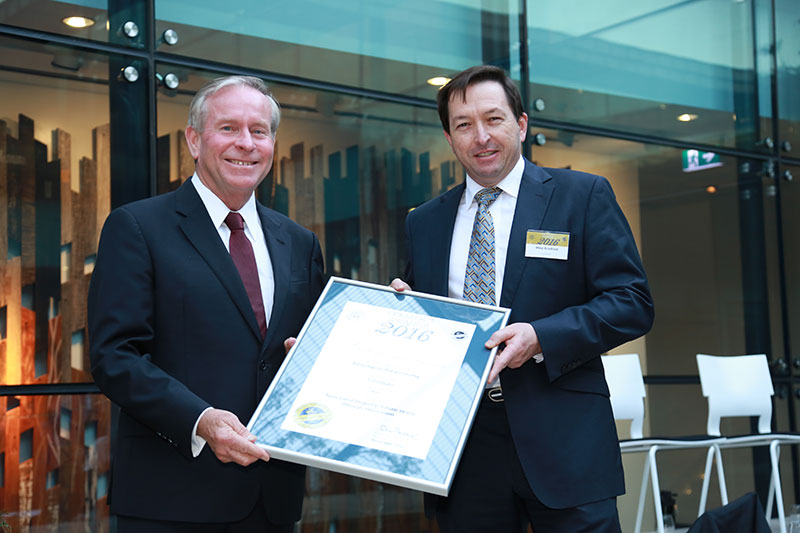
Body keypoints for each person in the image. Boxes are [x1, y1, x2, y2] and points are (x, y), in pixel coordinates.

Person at [391, 65, 654, 532]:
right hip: (463, 451)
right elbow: (433, 322)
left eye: (493, 119)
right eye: (464, 125)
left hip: (564, 440)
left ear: (522, 124)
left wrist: (541, 336)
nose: (481, 137)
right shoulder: (424, 221)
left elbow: (632, 301)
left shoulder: (582, 195)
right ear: (450, 138)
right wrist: (402, 314)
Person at [89, 76, 324, 532]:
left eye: (259, 130)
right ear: (194, 140)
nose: (246, 143)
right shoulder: (137, 227)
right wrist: (200, 420)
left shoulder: (299, 241)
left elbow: (309, 350)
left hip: (273, 501)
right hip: (172, 499)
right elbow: (113, 356)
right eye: (229, 128)